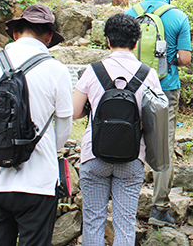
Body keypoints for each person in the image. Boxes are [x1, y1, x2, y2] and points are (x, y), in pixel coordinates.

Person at [0, 4, 73, 246]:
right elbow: (64, 130)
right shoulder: (56, 70)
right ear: (49, 36)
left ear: (15, 33)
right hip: (38, 183)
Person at [73, 14, 161, 245]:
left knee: (93, 221)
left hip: (94, 154)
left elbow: (74, 112)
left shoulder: (92, 71)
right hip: (132, 156)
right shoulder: (149, 74)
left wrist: (91, 108)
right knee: (125, 222)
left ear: (108, 41)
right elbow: (156, 118)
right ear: (136, 42)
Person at [125, 0, 192, 227]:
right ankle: (159, 208)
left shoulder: (131, 14)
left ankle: (126, 200)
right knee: (163, 146)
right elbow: (184, 59)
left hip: (131, 87)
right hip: (165, 89)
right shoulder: (178, 16)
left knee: (130, 139)